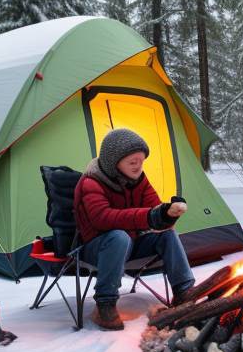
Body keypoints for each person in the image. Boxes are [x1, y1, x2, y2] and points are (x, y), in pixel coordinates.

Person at [73, 128, 196, 330]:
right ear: (114, 162)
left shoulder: (139, 180)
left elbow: (153, 209)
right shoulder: (91, 182)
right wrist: (149, 216)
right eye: (133, 162)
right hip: (96, 248)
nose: (139, 167)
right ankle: (105, 303)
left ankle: (184, 291)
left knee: (166, 233)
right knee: (118, 237)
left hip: (130, 244)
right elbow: (102, 219)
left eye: (141, 161)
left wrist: (166, 213)